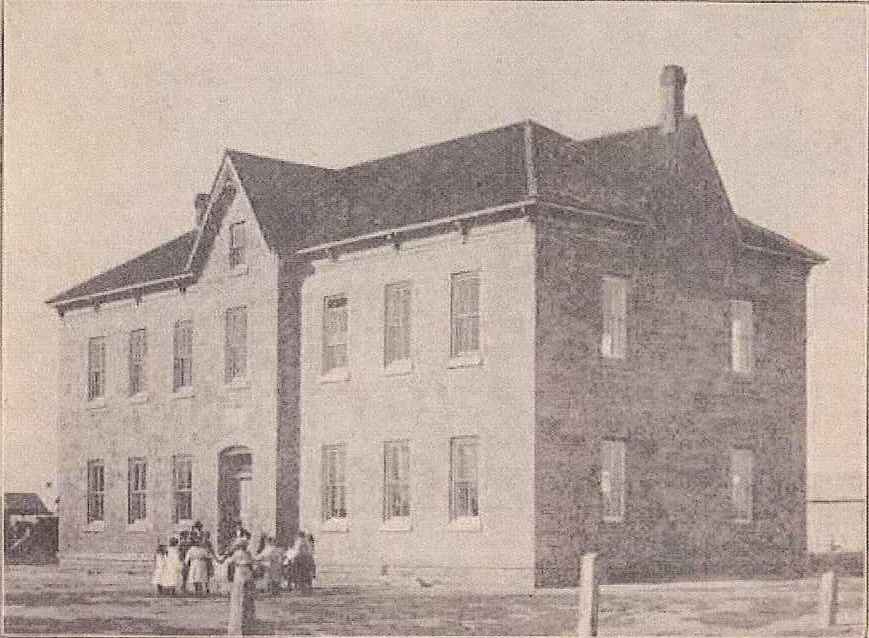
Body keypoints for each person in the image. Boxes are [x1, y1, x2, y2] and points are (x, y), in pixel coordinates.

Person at [219, 537, 257, 635]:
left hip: (240, 573)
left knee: (239, 595)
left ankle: (240, 619)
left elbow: (225, 561)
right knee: (247, 596)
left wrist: (226, 554)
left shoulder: (237, 554)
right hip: (248, 573)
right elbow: (252, 564)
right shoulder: (247, 553)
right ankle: (248, 619)